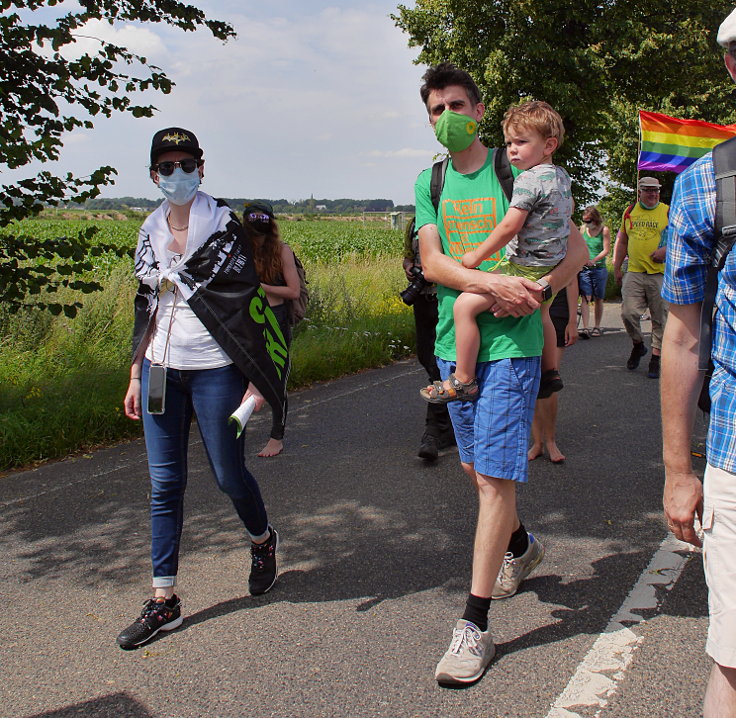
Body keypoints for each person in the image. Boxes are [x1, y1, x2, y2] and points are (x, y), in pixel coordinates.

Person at [414, 63, 587, 685]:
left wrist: (536, 292)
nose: (447, 117)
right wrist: (489, 281)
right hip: (449, 341)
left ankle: (474, 624)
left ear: (479, 110)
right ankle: (522, 546)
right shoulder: (429, 180)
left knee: (492, 479)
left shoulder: (518, 171)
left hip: (510, 344)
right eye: (436, 110)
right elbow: (434, 262)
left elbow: (578, 251)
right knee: (472, 467)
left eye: (456, 105)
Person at [117, 128, 286, 650]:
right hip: (161, 370)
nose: (177, 174)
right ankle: (164, 599)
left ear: (201, 168)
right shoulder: (147, 233)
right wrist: (135, 371)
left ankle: (262, 540)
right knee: (164, 485)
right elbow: (147, 306)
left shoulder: (226, 228)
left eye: (185, 164)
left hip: (215, 368)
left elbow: (244, 302)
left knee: (229, 475)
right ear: (153, 175)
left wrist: (258, 378)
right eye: (166, 167)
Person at [661, 10, 736, 716]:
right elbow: (682, 339)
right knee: (735, 666)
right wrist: (679, 472)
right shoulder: (707, 185)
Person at [420, 100, 573, 403]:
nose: (513, 149)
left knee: (464, 307)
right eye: (509, 143)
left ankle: (463, 379)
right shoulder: (561, 176)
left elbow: (509, 227)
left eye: (521, 142)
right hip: (549, 267)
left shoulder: (528, 179)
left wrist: (474, 258)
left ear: (549, 144)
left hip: (526, 267)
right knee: (543, 313)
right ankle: (550, 370)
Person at [242, 201, 300, 458]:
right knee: (240, 377)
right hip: (245, 319)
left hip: (275, 318)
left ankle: (277, 436)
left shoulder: (281, 251)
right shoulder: (240, 250)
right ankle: (236, 431)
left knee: (276, 378)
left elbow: (293, 291)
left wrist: (261, 287)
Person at [402, 217, 456, 461]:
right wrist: (409, 267)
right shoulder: (415, 223)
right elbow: (408, 255)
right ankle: (452, 424)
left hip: (447, 300)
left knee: (439, 367)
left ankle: (433, 433)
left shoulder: (450, 217)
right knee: (427, 359)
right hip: (422, 302)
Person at [612, 176, 669, 377]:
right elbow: (622, 241)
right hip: (634, 271)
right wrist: (617, 266)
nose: (653, 194)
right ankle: (638, 344)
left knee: (660, 317)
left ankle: (656, 357)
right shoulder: (630, 212)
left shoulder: (668, 211)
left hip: (660, 274)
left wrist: (666, 250)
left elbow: (681, 239)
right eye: (648, 190)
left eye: (656, 190)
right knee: (628, 314)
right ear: (640, 192)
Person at [528, 278, 579, 463]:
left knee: (549, 378)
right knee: (531, 379)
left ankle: (550, 441)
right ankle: (537, 442)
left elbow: (572, 281)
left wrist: (573, 321)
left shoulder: (561, 248)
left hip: (556, 307)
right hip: (528, 304)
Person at [577, 205, 611, 338]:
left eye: (588, 221)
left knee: (598, 298)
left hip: (599, 268)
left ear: (595, 219)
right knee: (585, 297)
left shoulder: (604, 230)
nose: (586, 224)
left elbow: (606, 249)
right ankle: (585, 327)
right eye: (584, 221)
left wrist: (594, 260)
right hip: (585, 269)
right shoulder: (583, 229)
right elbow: (580, 246)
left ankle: (597, 326)